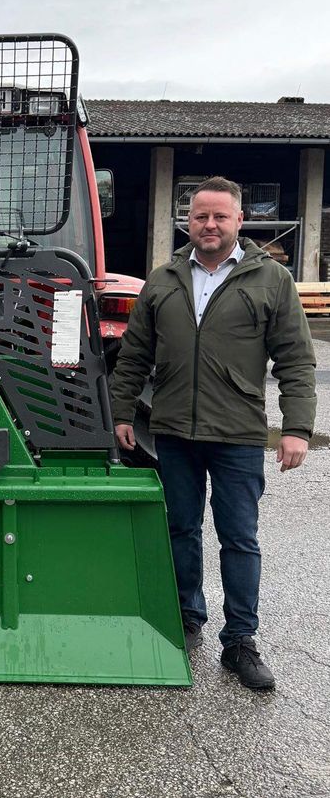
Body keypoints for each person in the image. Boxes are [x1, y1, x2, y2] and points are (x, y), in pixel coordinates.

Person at [110, 176, 316, 690]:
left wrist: (297, 428)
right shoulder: (163, 278)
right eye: (201, 216)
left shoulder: (271, 280)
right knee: (180, 528)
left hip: (239, 434)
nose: (210, 224)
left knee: (239, 539)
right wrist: (118, 413)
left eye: (220, 216)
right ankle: (187, 618)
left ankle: (241, 641)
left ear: (238, 221)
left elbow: (295, 359)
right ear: (188, 220)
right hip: (174, 431)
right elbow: (134, 355)